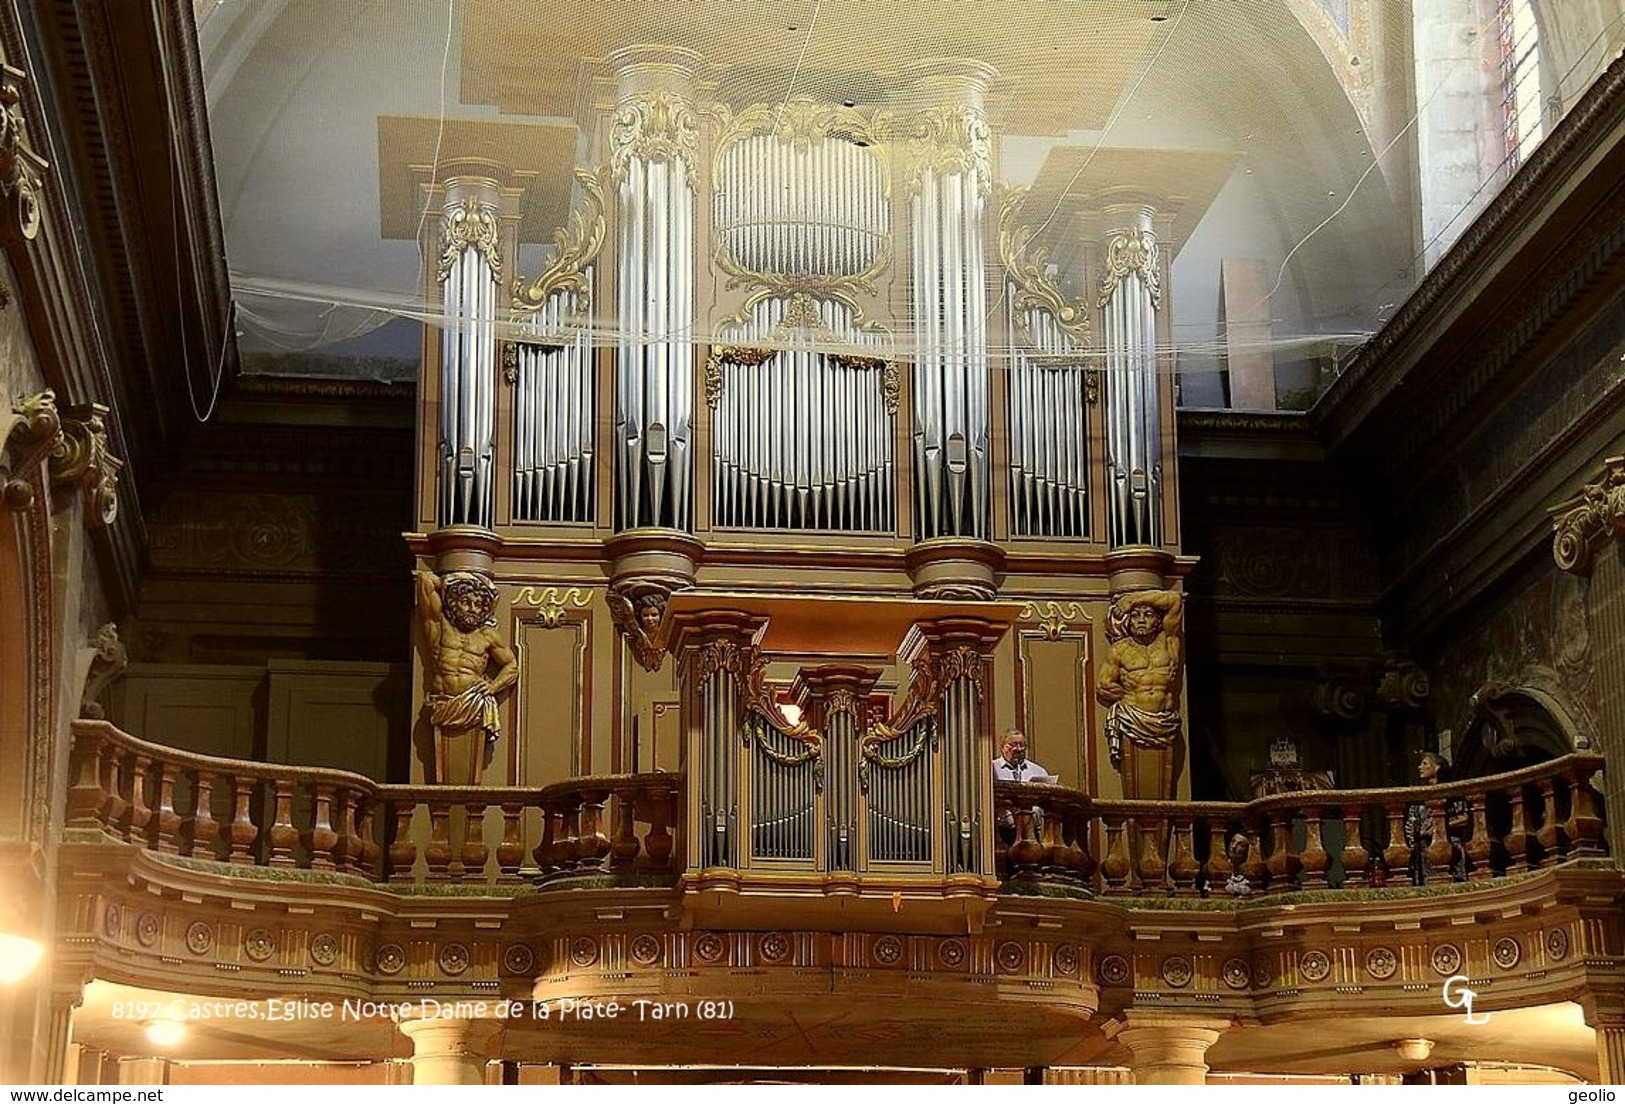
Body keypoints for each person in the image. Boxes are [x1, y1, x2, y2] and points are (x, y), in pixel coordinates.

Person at [414, 569, 519, 785]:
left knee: (469, 776)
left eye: (478, 604)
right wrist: (459, 582)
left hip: (473, 702)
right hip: (443, 702)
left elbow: (512, 666)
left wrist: (493, 687)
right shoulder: (438, 625)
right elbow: (424, 580)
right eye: (466, 602)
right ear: (454, 602)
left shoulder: (488, 636)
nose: (472, 609)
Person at [1096, 589, 1184, 799]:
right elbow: (1103, 684)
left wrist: (1132, 601)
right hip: (1132, 717)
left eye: (1148, 615)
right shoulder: (1120, 649)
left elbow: (1175, 599)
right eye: (1136, 615)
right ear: (1129, 621)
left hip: (1165, 721)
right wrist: (1128, 696)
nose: (1142, 620)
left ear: (1157, 621)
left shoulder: (1169, 642)